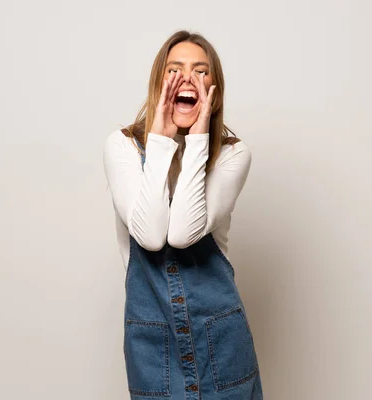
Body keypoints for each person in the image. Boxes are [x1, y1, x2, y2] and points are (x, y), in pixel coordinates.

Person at [103, 30, 263, 400]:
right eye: (174, 70)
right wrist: (160, 141)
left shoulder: (232, 155)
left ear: (214, 91)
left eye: (200, 71)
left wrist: (199, 139)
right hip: (153, 346)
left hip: (222, 343)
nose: (187, 78)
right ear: (159, 83)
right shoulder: (122, 147)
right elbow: (151, 236)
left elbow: (182, 234)